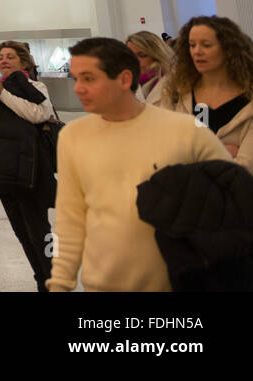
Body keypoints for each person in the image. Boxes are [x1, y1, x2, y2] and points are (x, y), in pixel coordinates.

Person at [49, 37, 232, 291]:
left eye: (88, 78)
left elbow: (236, 202)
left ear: (124, 79)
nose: (78, 88)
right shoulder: (72, 136)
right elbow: (69, 219)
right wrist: (60, 283)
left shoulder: (187, 131)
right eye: (75, 78)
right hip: (103, 285)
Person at [0, 40, 56, 291]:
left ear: (24, 62)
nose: (3, 60)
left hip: (30, 175)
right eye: (1, 56)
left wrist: (4, 93)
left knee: (40, 234)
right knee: (23, 236)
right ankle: (41, 281)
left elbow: (38, 114)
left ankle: (53, 282)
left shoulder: (36, 86)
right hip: (4, 177)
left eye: (10, 57)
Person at [147, 15, 253, 170]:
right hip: (184, 192)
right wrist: (222, 155)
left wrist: (189, 157)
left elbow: (244, 168)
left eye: (206, 45)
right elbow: (159, 151)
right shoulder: (174, 91)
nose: (197, 51)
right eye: (192, 45)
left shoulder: (248, 99)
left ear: (228, 49)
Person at [126, 30, 173, 101]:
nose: (134, 61)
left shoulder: (173, 82)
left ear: (156, 55)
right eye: (130, 56)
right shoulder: (126, 84)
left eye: (142, 55)